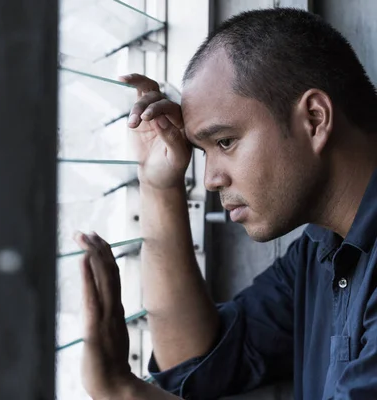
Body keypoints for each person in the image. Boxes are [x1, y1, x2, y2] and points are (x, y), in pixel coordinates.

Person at [73, 8, 377, 400]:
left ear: (315, 120)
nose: (210, 179)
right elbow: (197, 358)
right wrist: (159, 184)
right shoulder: (324, 251)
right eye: (202, 152)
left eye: (225, 142)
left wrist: (123, 392)